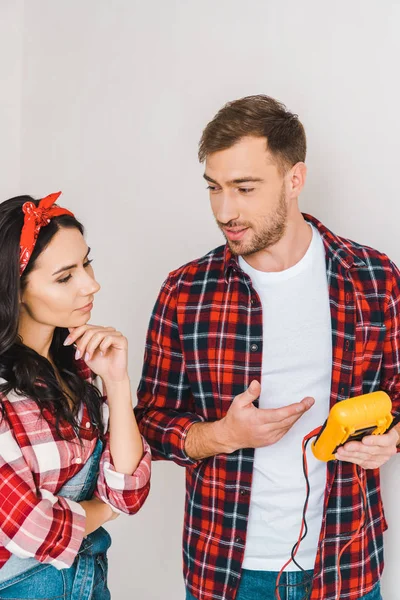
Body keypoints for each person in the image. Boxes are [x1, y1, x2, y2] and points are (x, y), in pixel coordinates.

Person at [136, 95, 400, 600]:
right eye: (214, 188)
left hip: (347, 564)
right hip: (228, 572)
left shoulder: (373, 278)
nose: (224, 210)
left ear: (294, 179)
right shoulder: (186, 291)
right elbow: (150, 420)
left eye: (244, 188)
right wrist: (220, 435)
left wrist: (392, 439)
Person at [0, 192, 151, 599]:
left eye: (86, 262)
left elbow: (130, 490)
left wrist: (117, 382)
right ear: (15, 291)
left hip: (91, 584)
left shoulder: (82, 366)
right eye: (65, 277)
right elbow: (30, 528)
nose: (92, 283)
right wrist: (103, 510)